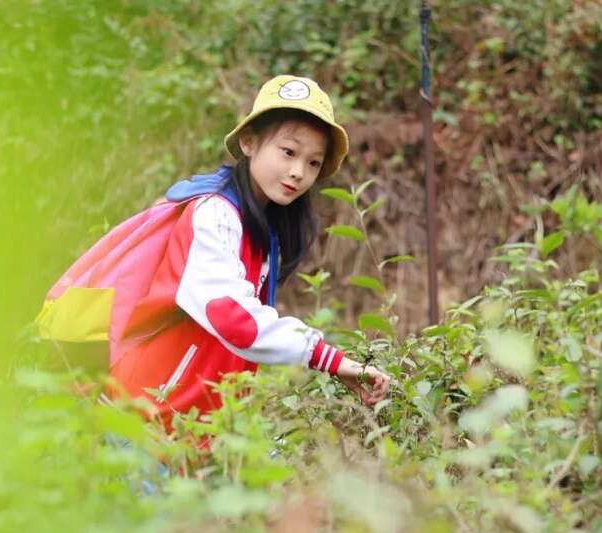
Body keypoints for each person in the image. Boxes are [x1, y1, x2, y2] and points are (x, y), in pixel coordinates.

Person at [45, 75, 390, 422]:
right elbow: (232, 319)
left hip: (191, 429)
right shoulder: (213, 214)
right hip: (143, 420)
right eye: (288, 152)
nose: (298, 171)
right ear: (249, 142)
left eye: (313, 162)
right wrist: (331, 360)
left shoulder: (261, 231)